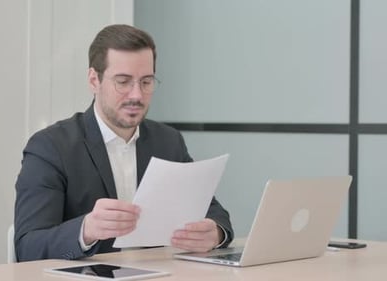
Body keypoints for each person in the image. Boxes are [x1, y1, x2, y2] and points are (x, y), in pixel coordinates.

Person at [14, 24, 234, 262]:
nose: (137, 95)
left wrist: (215, 233)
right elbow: (28, 247)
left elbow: (212, 212)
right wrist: (85, 230)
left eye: (146, 82)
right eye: (123, 81)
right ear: (93, 80)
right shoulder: (51, 147)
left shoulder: (168, 141)